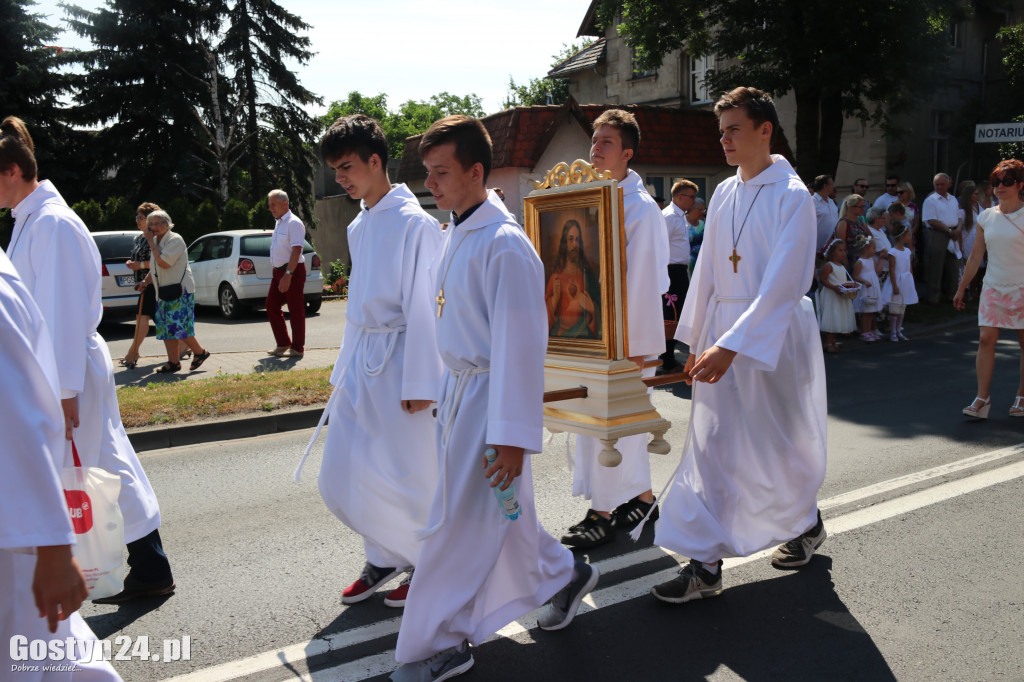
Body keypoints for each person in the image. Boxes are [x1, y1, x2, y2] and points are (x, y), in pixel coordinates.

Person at [390, 115, 597, 682]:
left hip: (489, 403)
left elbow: (521, 348)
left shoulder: (505, 245)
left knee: (457, 525)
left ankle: (440, 641)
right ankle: (563, 575)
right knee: (500, 516)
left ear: (475, 172)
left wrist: (511, 438)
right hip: (459, 395)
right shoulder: (458, 228)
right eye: (427, 173)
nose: (429, 184)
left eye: (440, 172)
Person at [646, 87, 828, 605]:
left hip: (771, 334)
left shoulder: (792, 195)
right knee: (715, 443)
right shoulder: (724, 191)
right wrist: (693, 338)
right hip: (725, 327)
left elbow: (786, 281)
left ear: (764, 129)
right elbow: (706, 270)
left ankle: (807, 521)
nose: (724, 139)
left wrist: (731, 344)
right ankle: (705, 566)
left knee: (779, 441)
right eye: (720, 130)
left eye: (733, 129)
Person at [1, 115, 173, 603]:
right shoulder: (32, 218)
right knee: (105, 461)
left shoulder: (51, 222)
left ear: (13, 170)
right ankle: (144, 565)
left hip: (66, 367)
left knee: (96, 465)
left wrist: (64, 393)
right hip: (60, 366)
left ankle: (138, 566)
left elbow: (58, 310)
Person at [299, 114, 443, 608]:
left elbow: (426, 305)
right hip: (364, 361)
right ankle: (384, 554)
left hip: (403, 364)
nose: (340, 178)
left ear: (375, 161)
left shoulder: (415, 223)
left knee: (408, 474)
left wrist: (423, 380)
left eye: (346, 167)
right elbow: (358, 310)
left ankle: (429, 563)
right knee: (344, 472)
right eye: (335, 169)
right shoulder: (361, 224)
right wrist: (342, 372)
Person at [0, 249, 122, 681]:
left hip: (14, 534)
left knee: (38, 661)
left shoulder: (52, 229)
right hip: (19, 527)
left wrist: (53, 546)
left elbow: (16, 416)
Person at [561, 109, 669, 549]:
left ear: (627, 153)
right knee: (599, 427)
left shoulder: (639, 209)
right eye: (593, 140)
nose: (595, 148)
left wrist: (638, 349)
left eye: (606, 142)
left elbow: (646, 283)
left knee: (614, 428)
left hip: (625, 341)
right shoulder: (590, 198)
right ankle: (641, 500)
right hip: (591, 335)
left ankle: (602, 515)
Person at [954, 159, 1024, 419]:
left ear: (1019, 185)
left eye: (1007, 182)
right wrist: (961, 289)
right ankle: (982, 398)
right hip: (994, 287)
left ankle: (1022, 396)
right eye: (996, 182)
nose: (1000, 186)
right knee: (985, 340)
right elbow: (975, 257)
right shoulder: (986, 216)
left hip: (1022, 287)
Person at [121, 202, 190, 369]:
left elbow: (159, 260)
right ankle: (184, 348)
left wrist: (141, 266)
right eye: (137, 217)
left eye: (142, 218)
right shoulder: (140, 238)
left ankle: (133, 353)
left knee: (146, 319)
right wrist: (134, 265)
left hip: (157, 283)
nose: (138, 221)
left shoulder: (160, 239)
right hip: (146, 283)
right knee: (163, 322)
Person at [144, 210, 211, 374]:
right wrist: (144, 282)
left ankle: (200, 352)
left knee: (178, 326)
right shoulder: (156, 242)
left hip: (180, 291)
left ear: (167, 224)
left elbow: (164, 263)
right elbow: (154, 267)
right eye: (150, 224)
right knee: (166, 327)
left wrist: (151, 244)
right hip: (163, 292)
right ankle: (173, 362)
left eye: (156, 223)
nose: (153, 228)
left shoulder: (175, 240)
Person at [266, 189, 307, 358]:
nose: (270, 208)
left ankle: (297, 348)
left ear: (285, 204)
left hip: (292, 271)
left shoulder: (294, 223)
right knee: (271, 305)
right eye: (269, 205)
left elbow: (296, 250)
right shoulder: (279, 222)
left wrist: (288, 274)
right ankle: (283, 343)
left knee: (295, 308)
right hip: (279, 272)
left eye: (273, 205)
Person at [660, 179, 695, 371]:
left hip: (679, 270)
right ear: (679, 197)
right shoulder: (670, 216)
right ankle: (667, 358)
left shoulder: (679, 216)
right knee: (670, 315)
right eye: (691, 196)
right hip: (671, 270)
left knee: (677, 313)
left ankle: (668, 356)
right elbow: (660, 245)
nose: (694, 200)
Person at [546, 219, 601, 338]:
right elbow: (544, 321)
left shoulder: (588, 275)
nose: (574, 244)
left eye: (577, 239)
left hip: (585, 340)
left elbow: (602, 311)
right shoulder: (556, 278)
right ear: (564, 243)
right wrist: (554, 300)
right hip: (560, 340)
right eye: (570, 239)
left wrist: (592, 310)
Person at [922, 172, 962, 304]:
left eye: (942, 184)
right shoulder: (930, 200)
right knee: (936, 266)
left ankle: (952, 295)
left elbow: (959, 217)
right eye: (936, 184)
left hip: (953, 232)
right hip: (938, 233)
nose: (939, 187)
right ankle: (934, 297)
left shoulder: (953, 199)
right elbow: (932, 220)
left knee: (953, 265)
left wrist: (957, 230)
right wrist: (949, 230)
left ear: (948, 184)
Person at [818, 239, 858, 352]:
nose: (843, 253)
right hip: (831, 295)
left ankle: (833, 341)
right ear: (832, 252)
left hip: (840, 295)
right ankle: (828, 342)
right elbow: (823, 280)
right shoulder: (829, 265)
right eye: (840, 250)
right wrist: (834, 288)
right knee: (831, 318)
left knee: (837, 319)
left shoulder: (842, 266)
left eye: (844, 250)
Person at [887, 221, 917, 342]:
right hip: (897, 281)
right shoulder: (893, 252)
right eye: (908, 235)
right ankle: (893, 332)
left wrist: (911, 281)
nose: (910, 237)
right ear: (901, 237)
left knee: (902, 307)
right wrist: (895, 285)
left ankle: (899, 330)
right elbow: (892, 270)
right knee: (895, 308)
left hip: (906, 280)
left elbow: (909, 267)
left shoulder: (907, 251)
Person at [852, 236, 883, 341]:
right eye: (873, 248)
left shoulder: (872, 260)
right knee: (865, 311)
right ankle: (864, 331)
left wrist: (881, 259)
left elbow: (878, 270)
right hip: (865, 288)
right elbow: (855, 276)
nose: (875, 250)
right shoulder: (860, 262)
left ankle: (869, 330)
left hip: (872, 287)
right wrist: (864, 281)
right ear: (866, 249)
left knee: (870, 311)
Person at [834, 194, 870, 268]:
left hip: (863, 260)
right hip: (851, 260)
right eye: (861, 207)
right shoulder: (843, 223)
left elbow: (870, 236)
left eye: (864, 206)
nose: (863, 209)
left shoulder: (861, 221)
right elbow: (841, 244)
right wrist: (845, 261)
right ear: (851, 207)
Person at [812, 174, 839, 252]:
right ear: (825, 186)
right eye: (832, 184)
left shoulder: (832, 202)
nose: (833, 187)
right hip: (816, 248)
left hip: (830, 249)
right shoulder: (812, 201)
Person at [687, 197, 706, 278]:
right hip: (686, 264)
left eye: (704, 210)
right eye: (700, 210)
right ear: (692, 209)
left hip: (701, 263)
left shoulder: (703, 224)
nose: (703, 213)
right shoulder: (682, 223)